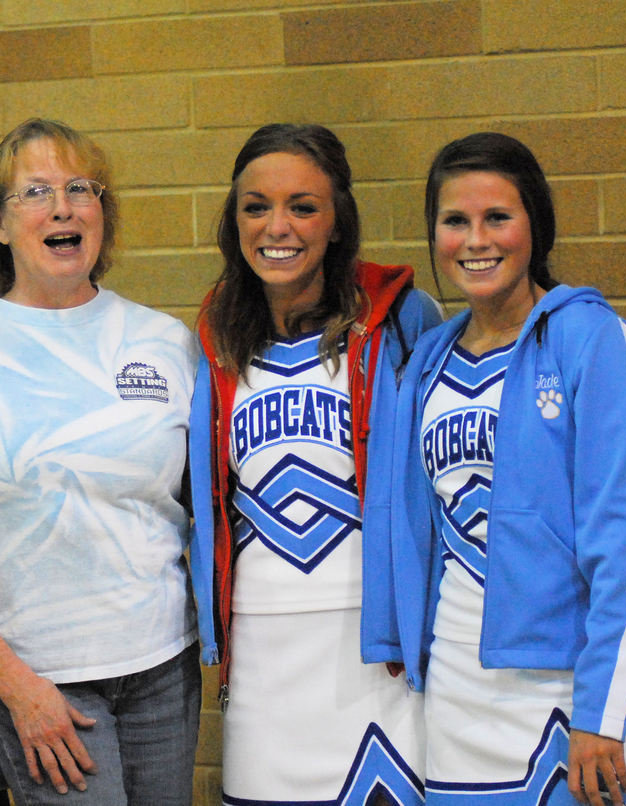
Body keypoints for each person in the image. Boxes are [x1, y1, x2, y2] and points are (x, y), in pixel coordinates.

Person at [0, 118, 202, 805]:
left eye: (79, 189)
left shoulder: (167, 343)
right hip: (36, 678)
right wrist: (16, 686)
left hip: (161, 667)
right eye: (36, 192)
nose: (63, 207)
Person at [372, 131, 626, 806]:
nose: (476, 240)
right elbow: (410, 522)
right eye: (454, 221)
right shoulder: (430, 360)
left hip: (568, 695)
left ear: (536, 226)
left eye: (498, 217)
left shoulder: (594, 340)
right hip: (458, 691)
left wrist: (602, 713)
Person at [189, 123, 441, 805]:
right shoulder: (214, 336)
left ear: (338, 222)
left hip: (375, 649)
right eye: (256, 206)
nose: (279, 226)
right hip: (263, 648)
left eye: (303, 206)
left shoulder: (402, 318)